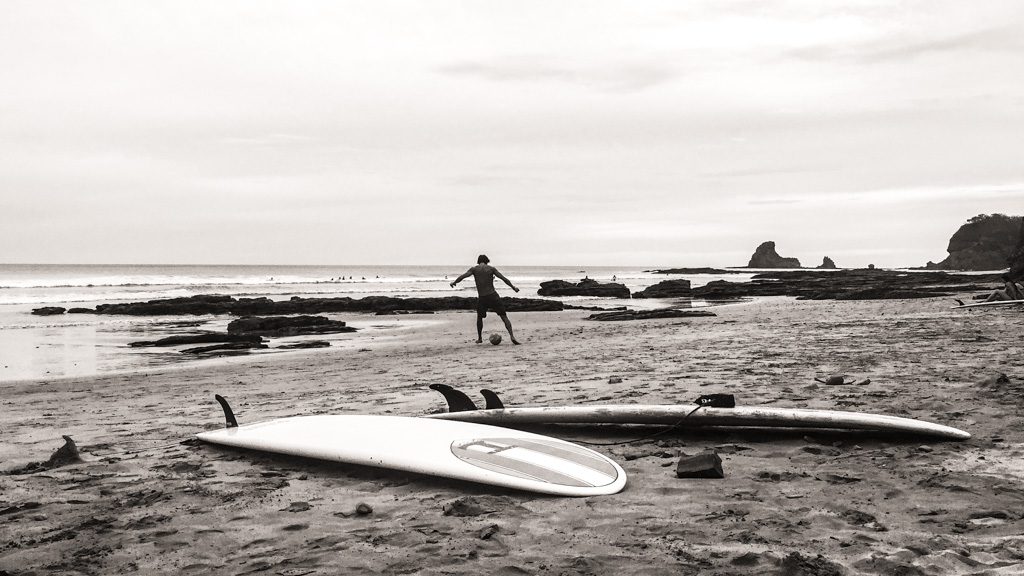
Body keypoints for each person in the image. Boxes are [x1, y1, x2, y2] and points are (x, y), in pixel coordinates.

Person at [450, 254, 521, 344]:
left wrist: (454, 282)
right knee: (503, 316)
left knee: (479, 318)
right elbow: (504, 279)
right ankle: (512, 336)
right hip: (493, 295)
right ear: (487, 261)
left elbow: (462, 277)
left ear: (478, 261)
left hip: (483, 297)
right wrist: (513, 287)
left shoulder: (474, 269)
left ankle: (480, 338)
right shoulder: (491, 269)